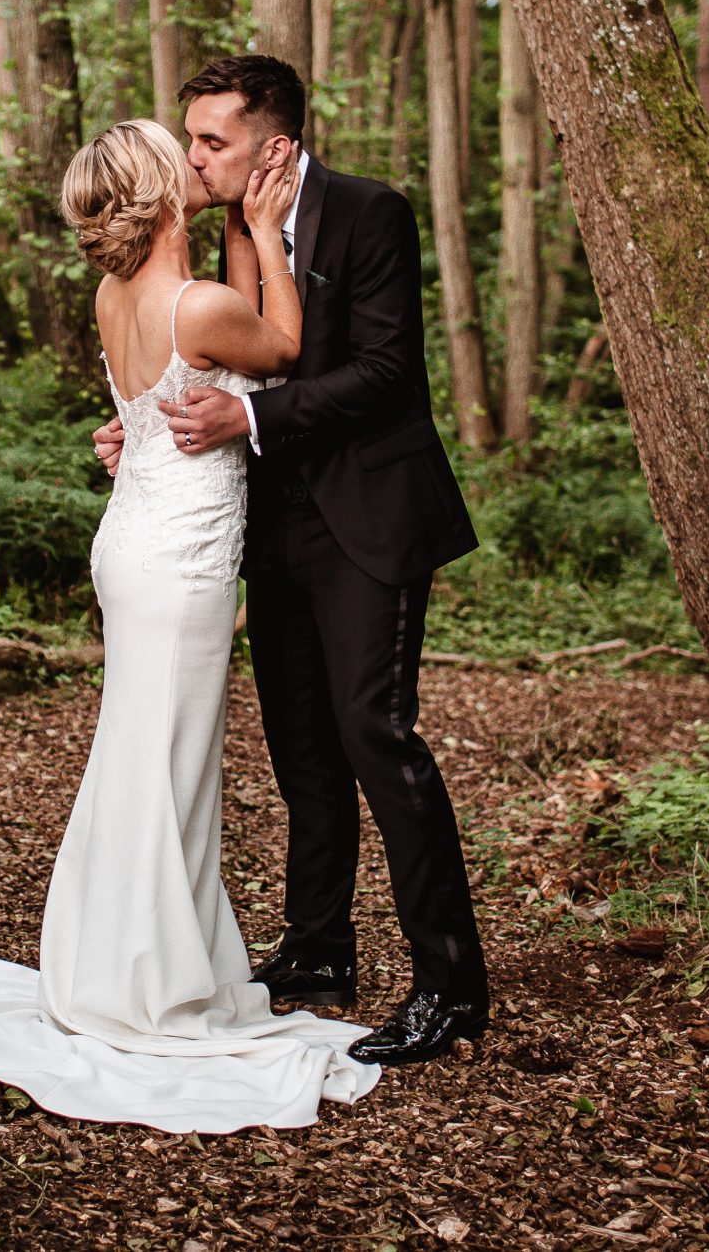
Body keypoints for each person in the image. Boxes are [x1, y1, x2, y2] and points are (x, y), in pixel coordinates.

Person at [0, 115, 381, 1133]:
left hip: (134, 540)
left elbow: (149, 408)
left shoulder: (118, 293)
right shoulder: (199, 304)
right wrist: (264, 223)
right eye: (176, 154)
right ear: (155, 185)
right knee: (167, 765)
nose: (197, 163)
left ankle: (129, 959)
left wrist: (234, 228)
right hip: (177, 562)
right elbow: (279, 345)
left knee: (144, 759)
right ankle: (146, 981)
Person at [100, 54, 490, 1066]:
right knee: (300, 749)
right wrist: (146, 429)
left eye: (212, 141)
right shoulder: (205, 234)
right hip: (263, 526)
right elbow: (192, 363)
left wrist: (250, 411)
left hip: (368, 515)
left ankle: (449, 982)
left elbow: (385, 372)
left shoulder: (370, 211)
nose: (194, 156)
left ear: (274, 143)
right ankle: (317, 950)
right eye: (189, 140)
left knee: (377, 735)